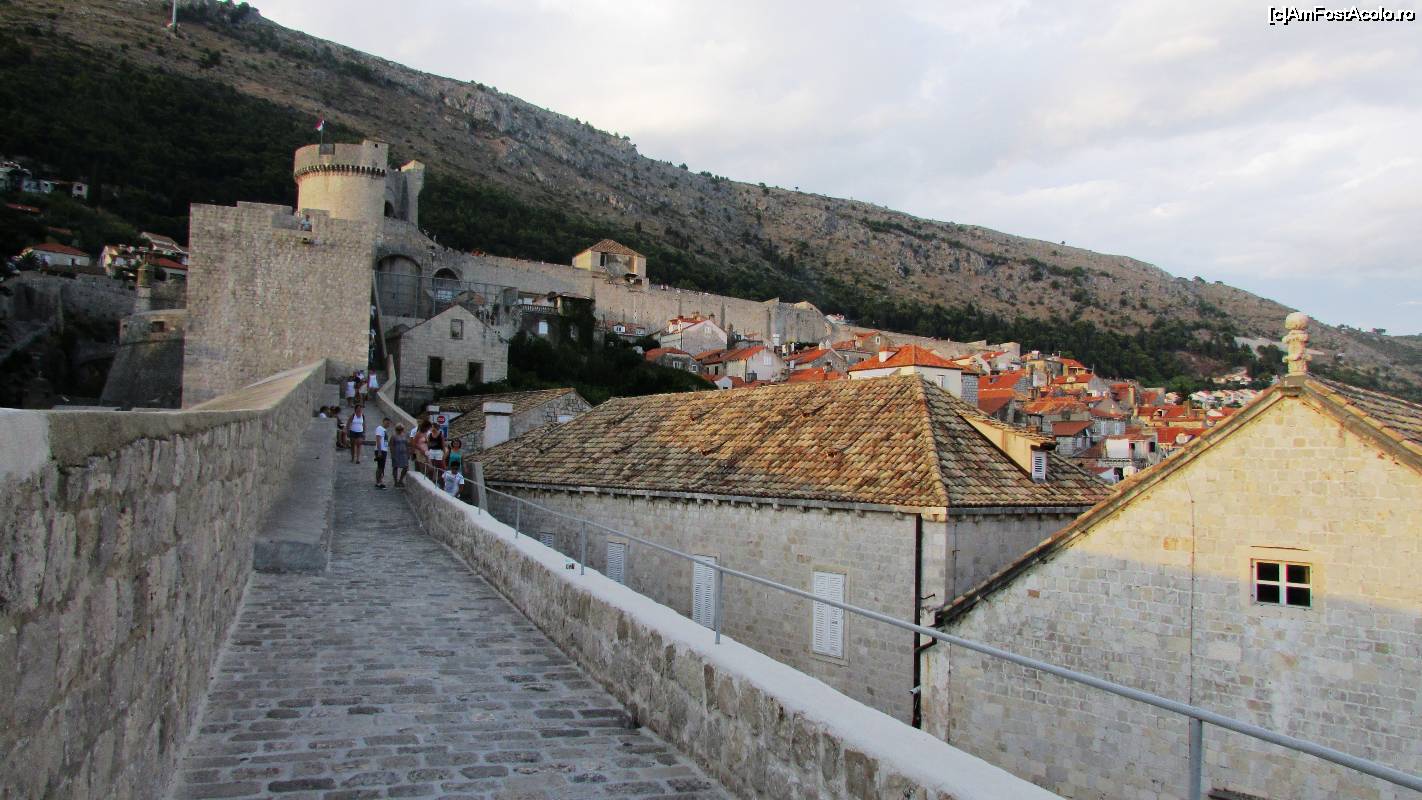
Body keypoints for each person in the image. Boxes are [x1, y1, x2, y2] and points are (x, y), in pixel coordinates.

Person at [373, 416, 391, 489]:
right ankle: (378, 482)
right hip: (381, 450)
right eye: (387, 423)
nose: (388, 424)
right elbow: (378, 439)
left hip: (384, 450)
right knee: (380, 466)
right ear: (383, 422)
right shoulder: (380, 428)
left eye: (389, 423)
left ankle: (380, 481)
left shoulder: (384, 430)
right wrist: (379, 451)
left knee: (381, 466)